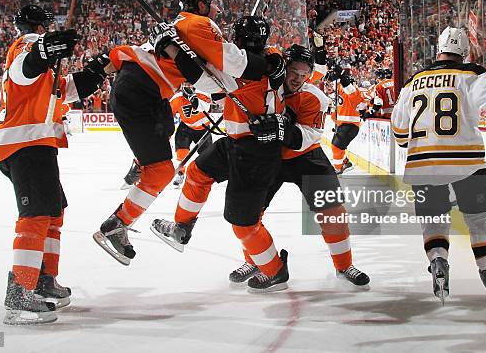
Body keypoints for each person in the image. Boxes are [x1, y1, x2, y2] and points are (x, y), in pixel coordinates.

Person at [152, 44, 371, 289]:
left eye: (303, 74)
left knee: (333, 212)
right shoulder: (261, 83)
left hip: (306, 158)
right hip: (266, 157)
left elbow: (309, 135)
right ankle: (257, 260)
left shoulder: (315, 98)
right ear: (283, 67)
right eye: (293, 72)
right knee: (249, 215)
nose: (298, 79)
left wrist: (282, 129)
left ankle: (344, 265)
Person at [94, 0, 284, 266]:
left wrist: (175, 50)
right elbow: (230, 67)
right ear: (202, 5)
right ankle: (117, 225)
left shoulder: (187, 26)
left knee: (171, 159)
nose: (218, 9)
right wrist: (268, 64)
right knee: (163, 172)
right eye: (213, 3)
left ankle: (165, 225)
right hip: (142, 89)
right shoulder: (197, 23)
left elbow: (210, 80)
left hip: (145, 90)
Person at [391, 27, 486, 304]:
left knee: (434, 219)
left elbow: (399, 133)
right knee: (479, 217)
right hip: (466, 161)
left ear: (438, 50)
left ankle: (438, 262)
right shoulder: (470, 74)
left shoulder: (412, 83)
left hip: (422, 164)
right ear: (464, 52)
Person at [151, 15, 289, 292]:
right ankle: (181, 227)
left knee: (243, 222)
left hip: (256, 152)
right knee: (198, 171)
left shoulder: (241, 70)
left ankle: (275, 271)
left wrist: (172, 47)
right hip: (237, 143)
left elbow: (201, 78)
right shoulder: (271, 57)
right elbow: (221, 69)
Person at [0, 5, 111, 325]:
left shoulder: (45, 66)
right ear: (40, 26)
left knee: (54, 210)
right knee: (36, 214)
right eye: (47, 27)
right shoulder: (26, 43)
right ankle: (20, 289)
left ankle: (44, 278)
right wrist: (47, 47)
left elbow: (69, 90)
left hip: (36, 144)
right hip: (25, 143)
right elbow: (26, 65)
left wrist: (98, 68)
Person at [169, 84, 214, 187]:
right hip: (186, 127)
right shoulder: (177, 99)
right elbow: (168, 114)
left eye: (190, 83)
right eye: (185, 84)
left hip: (204, 128)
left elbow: (204, 107)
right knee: (181, 152)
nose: (187, 86)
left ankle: (204, 175)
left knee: (206, 156)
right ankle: (181, 173)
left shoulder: (203, 92)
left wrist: (193, 98)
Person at [328, 68, 368, 174]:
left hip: (350, 125)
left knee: (336, 146)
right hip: (343, 125)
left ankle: (338, 168)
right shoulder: (340, 88)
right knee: (336, 145)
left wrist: (341, 77)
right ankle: (346, 162)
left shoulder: (352, 90)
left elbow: (350, 90)